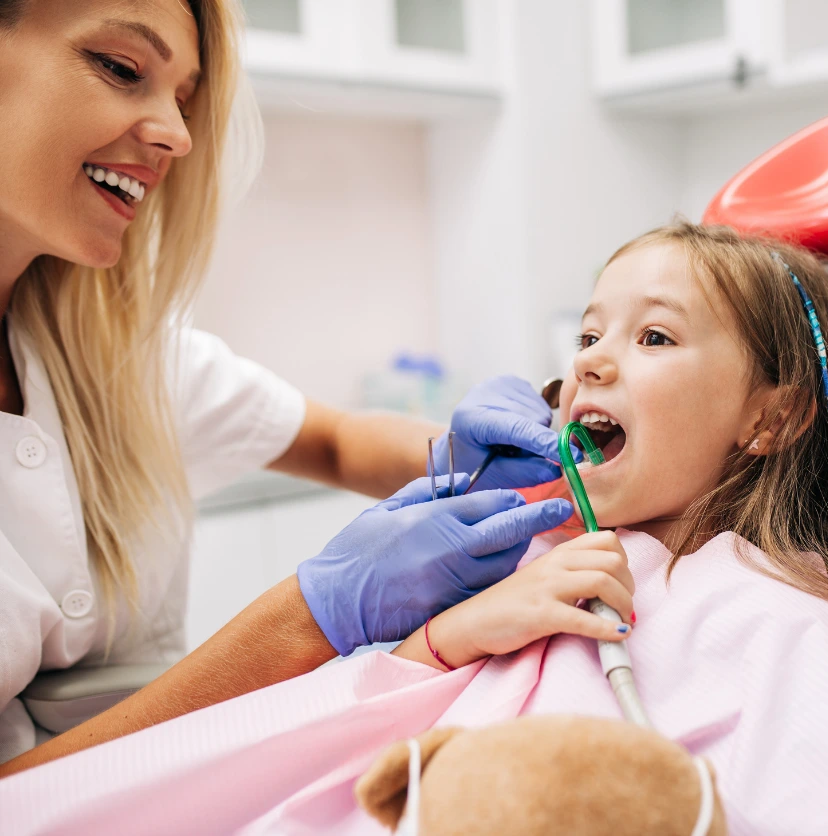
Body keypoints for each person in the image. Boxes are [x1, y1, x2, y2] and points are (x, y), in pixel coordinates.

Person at [0, 223, 828, 835]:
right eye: (589, 332)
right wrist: (438, 638)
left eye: (652, 336)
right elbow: (357, 725)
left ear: (768, 416)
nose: (595, 361)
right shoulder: (516, 555)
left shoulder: (745, 604)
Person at [0, 0, 572, 775]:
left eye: (184, 99)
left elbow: (333, 441)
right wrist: (307, 617)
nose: (177, 134)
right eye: (122, 69)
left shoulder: (110, 357)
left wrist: (463, 457)